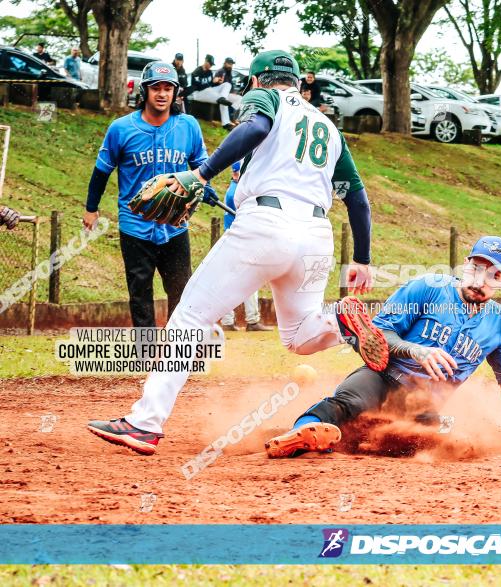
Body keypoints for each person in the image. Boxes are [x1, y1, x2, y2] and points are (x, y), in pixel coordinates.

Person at [87, 49, 387, 457]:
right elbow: (358, 201)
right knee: (300, 337)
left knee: (191, 316)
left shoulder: (266, 96)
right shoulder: (328, 127)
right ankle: (341, 322)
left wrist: (200, 172)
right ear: (299, 82)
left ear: (258, 79)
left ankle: (144, 424)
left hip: (265, 225)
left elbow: (256, 127)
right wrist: (363, 259)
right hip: (316, 234)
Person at [265, 236, 501, 459]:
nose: (480, 280)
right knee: (351, 403)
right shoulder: (428, 287)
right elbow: (380, 334)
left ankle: (344, 437)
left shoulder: (500, 326)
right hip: (382, 375)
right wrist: (416, 350)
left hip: (421, 405)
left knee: (426, 440)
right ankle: (299, 434)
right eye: (476, 269)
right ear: (465, 265)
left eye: (493, 274)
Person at [83, 62, 208, 328]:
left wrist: (203, 191)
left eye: (168, 88)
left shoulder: (188, 126)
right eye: (155, 88)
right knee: (140, 292)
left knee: (182, 290)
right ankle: (147, 357)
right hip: (135, 225)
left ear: (175, 93)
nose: (162, 94)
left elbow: (202, 168)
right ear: (144, 91)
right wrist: (91, 208)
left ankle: (178, 351)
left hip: (175, 224)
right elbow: (101, 171)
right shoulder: (121, 128)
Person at [220, 160, 271, 332]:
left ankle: (248, 320)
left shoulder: (236, 190)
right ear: (236, 173)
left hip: (239, 240)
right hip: (239, 240)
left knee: (245, 281)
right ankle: (241, 321)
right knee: (239, 281)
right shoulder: (235, 192)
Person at [188, 55, 237, 130]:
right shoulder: (197, 71)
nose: (210, 65)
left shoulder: (210, 72)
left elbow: (210, 84)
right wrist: (211, 86)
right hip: (198, 93)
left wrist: (216, 82)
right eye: (210, 63)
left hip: (209, 91)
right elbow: (197, 86)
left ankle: (223, 100)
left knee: (227, 84)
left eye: (211, 64)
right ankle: (224, 104)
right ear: (205, 61)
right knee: (209, 90)